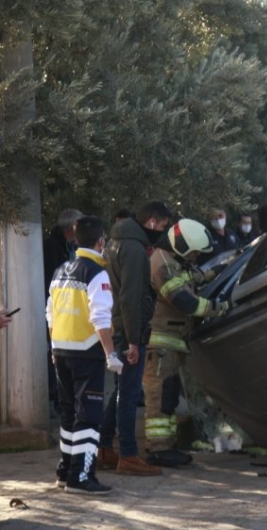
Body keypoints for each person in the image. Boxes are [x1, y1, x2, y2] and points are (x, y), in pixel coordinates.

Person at [46, 216, 124, 495]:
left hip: (61, 350)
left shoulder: (60, 271)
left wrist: (54, 347)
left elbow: (50, 314)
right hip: (87, 352)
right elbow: (100, 318)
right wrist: (111, 353)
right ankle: (82, 476)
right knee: (89, 417)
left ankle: (65, 471)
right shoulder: (96, 273)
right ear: (101, 242)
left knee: (68, 414)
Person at [143, 219, 229, 467]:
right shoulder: (163, 264)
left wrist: (220, 269)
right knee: (159, 399)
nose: (194, 257)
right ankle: (158, 449)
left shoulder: (173, 262)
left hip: (170, 345)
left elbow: (194, 278)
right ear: (182, 247)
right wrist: (218, 308)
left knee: (167, 398)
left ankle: (165, 447)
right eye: (193, 252)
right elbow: (184, 301)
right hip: (160, 346)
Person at [99, 201, 173, 477]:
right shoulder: (132, 249)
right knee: (129, 394)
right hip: (128, 330)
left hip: (117, 324)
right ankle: (128, 455)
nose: (162, 231)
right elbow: (130, 296)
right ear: (151, 222)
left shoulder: (116, 243)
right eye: (162, 226)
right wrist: (132, 340)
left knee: (121, 390)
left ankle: (104, 447)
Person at [43, 208, 84, 413]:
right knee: (57, 357)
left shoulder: (70, 246)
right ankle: (60, 400)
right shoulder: (52, 247)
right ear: (71, 228)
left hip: (68, 310)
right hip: (57, 310)